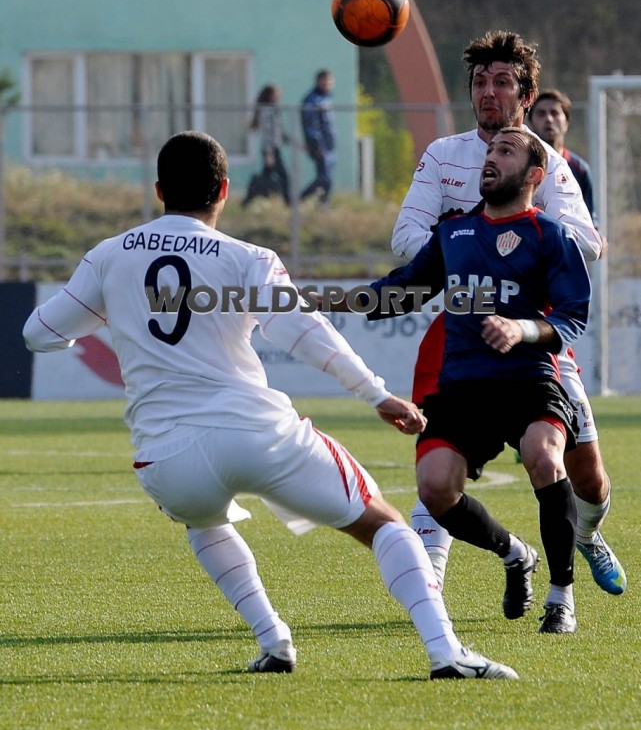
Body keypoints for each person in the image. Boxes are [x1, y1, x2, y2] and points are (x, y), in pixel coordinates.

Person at [22, 129, 517, 681]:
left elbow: (38, 334)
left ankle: (273, 638)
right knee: (381, 520)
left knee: (202, 521)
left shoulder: (110, 255)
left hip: (167, 459)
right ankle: (445, 651)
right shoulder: (249, 258)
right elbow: (306, 332)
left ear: (158, 190)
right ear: (224, 190)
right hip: (257, 434)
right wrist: (375, 393)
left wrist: (104, 314)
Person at [391, 30, 626, 597]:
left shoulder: (543, 162)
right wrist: (466, 247)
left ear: (526, 97)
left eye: (502, 82)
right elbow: (405, 237)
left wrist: (517, 233)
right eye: (480, 82)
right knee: (438, 459)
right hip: (463, 332)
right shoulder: (444, 155)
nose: (488, 92)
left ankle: (586, 534)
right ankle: (431, 581)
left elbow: (589, 243)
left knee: (590, 480)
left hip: (532, 339)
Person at [333, 127, 590, 632]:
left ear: (534, 176)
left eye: (506, 151)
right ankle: (515, 553)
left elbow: (571, 317)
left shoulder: (551, 236)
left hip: (529, 378)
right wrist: (334, 301)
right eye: (490, 150)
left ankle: (562, 595)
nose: (490, 157)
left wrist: (522, 329)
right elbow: (405, 289)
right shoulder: (453, 234)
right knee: (434, 489)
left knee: (544, 456)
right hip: (463, 386)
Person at [528, 88, 597, 225]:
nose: (548, 119)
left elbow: (589, 220)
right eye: (541, 114)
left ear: (566, 122)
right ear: (530, 123)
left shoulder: (580, 169)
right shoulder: (522, 165)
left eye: (554, 113)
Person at [242, 84, 291, 207]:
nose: (278, 97)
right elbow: (268, 134)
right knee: (284, 176)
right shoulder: (266, 111)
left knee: (266, 177)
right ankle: (289, 202)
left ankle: (250, 196)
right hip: (270, 149)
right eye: (276, 94)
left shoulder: (274, 110)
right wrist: (269, 153)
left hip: (275, 148)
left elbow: (278, 131)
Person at [300, 69, 337, 205]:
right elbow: (310, 126)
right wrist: (316, 145)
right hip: (319, 146)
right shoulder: (311, 100)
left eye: (330, 81)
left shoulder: (326, 99)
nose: (328, 84)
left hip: (329, 145)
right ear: (319, 81)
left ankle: (323, 205)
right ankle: (298, 199)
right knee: (324, 179)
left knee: (327, 180)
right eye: (326, 80)